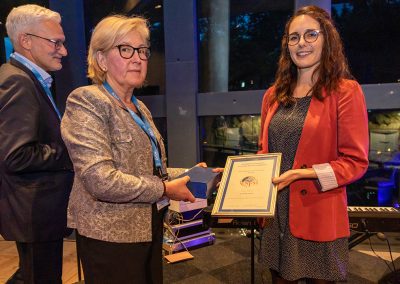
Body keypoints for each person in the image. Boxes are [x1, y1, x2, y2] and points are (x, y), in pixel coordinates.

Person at [60, 15, 202, 284]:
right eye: (125, 49)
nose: (138, 58)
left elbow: (150, 169)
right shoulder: (86, 100)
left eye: (143, 51)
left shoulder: (140, 107)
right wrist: (163, 189)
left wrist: (191, 173)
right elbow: (99, 179)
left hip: (147, 229)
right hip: (110, 238)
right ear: (101, 60)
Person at [258, 5, 369, 284]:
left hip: (320, 216)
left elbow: (355, 162)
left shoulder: (345, 91)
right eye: (294, 38)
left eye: (311, 34)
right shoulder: (272, 96)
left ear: (326, 39)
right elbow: (264, 154)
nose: (302, 43)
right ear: (287, 46)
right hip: (276, 217)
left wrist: (303, 174)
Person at [0, 4, 72, 284]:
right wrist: (71, 150)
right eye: (56, 42)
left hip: (39, 212)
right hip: (36, 213)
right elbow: (16, 155)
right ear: (26, 41)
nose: (63, 51)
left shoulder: (27, 79)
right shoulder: (17, 82)